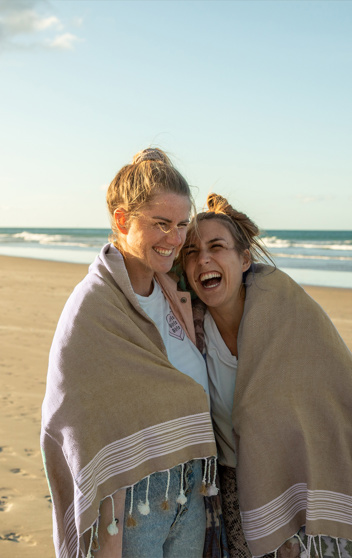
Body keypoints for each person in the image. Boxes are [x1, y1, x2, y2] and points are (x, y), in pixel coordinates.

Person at [180, 194, 352, 558]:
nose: (202, 258)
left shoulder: (289, 312)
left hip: (305, 486)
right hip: (234, 496)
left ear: (244, 260)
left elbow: (350, 396)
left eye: (216, 246)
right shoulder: (188, 332)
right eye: (191, 251)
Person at [41, 149, 222, 558]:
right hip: (132, 500)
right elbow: (71, 415)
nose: (174, 239)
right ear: (122, 221)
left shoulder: (174, 293)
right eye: (161, 224)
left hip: (190, 489)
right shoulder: (94, 306)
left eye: (180, 225)